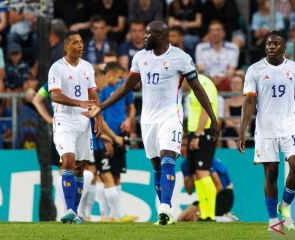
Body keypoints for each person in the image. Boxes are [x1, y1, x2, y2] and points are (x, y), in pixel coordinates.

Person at [82, 20, 219, 225]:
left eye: (148, 34)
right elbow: (126, 87)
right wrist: (101, 106)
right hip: (148, 121)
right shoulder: (140, 57)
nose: (144, 37)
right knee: (156, 165)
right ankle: (166, 213)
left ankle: (165, 208)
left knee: (167, 159)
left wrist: (214, 120)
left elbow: (198, 89)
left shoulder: (180, 58)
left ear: (162, 36)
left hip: (170, 118)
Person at [238, 31, 295, 230]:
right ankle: (273, 220)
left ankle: (285, 206)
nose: (271, 47)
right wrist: (242, 131)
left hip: (289, 127)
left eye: (275, 44)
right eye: (268, 44)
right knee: (271, 174)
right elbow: (249, 102)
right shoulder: (254, 70)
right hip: (266, 130)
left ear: (284, 48)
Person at [48, 32, 103, 224]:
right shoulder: (57, 68)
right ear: (66, 46)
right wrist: (79, 103)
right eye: (75, 43)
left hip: (84, 122)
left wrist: (98, 117)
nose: (79, 46)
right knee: (68, 161)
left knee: (81, 167)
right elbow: (54, 96)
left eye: (81, 42)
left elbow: (93, 95)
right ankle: (69, 209)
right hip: (64, 121)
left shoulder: (87, 67)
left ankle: (74, 212)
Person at [98, 61, 137, 221]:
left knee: (117, 174)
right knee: (104, 174)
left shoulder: (124, 88)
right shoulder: (103, 91)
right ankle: (106, 214)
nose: (121, 79)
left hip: (121, 134)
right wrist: (104, 136)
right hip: (107, 136)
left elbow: (132, 108)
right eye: (119, 76)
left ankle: (114, 214)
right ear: (111, 74)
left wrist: (129, 120)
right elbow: (99, 113)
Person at [183, 73, 218, 221]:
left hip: (204, 132)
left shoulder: (203, 82)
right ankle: (204, 214)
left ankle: (210, 214)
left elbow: (206, 108)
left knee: (203, 173)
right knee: (197, 174)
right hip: (195, 132)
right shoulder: (195, 85)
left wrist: (197, 134)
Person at [195, 20, 240, 91]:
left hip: (226, 80)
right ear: (208, 33)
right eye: (211, 30)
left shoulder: (233, 48)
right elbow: (201, 68)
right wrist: (211, 78)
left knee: (237, 77)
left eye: (217, 30)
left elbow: (231, 69)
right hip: (207, 79)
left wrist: (221, 79)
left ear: (223, 33)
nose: (214, 33)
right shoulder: (200, 48)